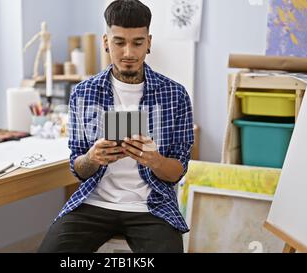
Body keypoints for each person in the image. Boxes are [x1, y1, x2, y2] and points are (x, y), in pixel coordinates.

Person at [38, 0, 194, 253]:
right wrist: (93, 157)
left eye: (138, 42)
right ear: (105, 42)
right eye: (119, 42)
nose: (129, 53)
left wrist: (154, 160)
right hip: (94, 202)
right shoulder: (83, 93)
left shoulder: (175, 95)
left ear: (149, 43)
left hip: (151, 206)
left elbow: (176, 172)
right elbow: (78, 169)